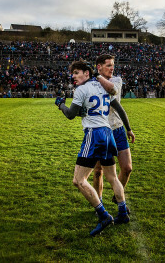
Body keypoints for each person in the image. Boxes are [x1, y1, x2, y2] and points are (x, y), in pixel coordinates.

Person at [55, 60, 131, 236]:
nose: (73, 77)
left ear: (86, 73)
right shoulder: (102, 85)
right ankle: (122, 212)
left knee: (78, 180)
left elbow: (71, 115)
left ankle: (103, 215)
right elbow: (112, 103)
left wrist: (60, 105)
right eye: (72, 73)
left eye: (76, 73)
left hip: (94, 134)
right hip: (108, 133)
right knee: (112, 177)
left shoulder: (81, 89)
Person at [92, 54, 135, 209]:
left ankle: (118, 197)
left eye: (113, 65)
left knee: (127, 168)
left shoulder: (116, 80)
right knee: (98, 171)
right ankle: (99, 203)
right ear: (99, 67)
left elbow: (112, 91)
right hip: (100, 130)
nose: (112, 68)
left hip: (117, 128)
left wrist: (128, 129)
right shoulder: (91, 83)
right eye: (108, 65)